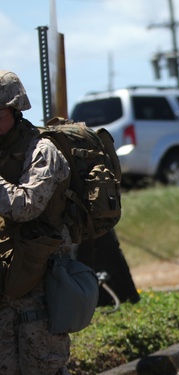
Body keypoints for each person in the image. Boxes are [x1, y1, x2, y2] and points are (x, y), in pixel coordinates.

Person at [0, 70, 72, 374]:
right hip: (6, 276)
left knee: (43, 368)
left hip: (41, 279)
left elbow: (27, 206)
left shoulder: (42, 152)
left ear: (15, 112)